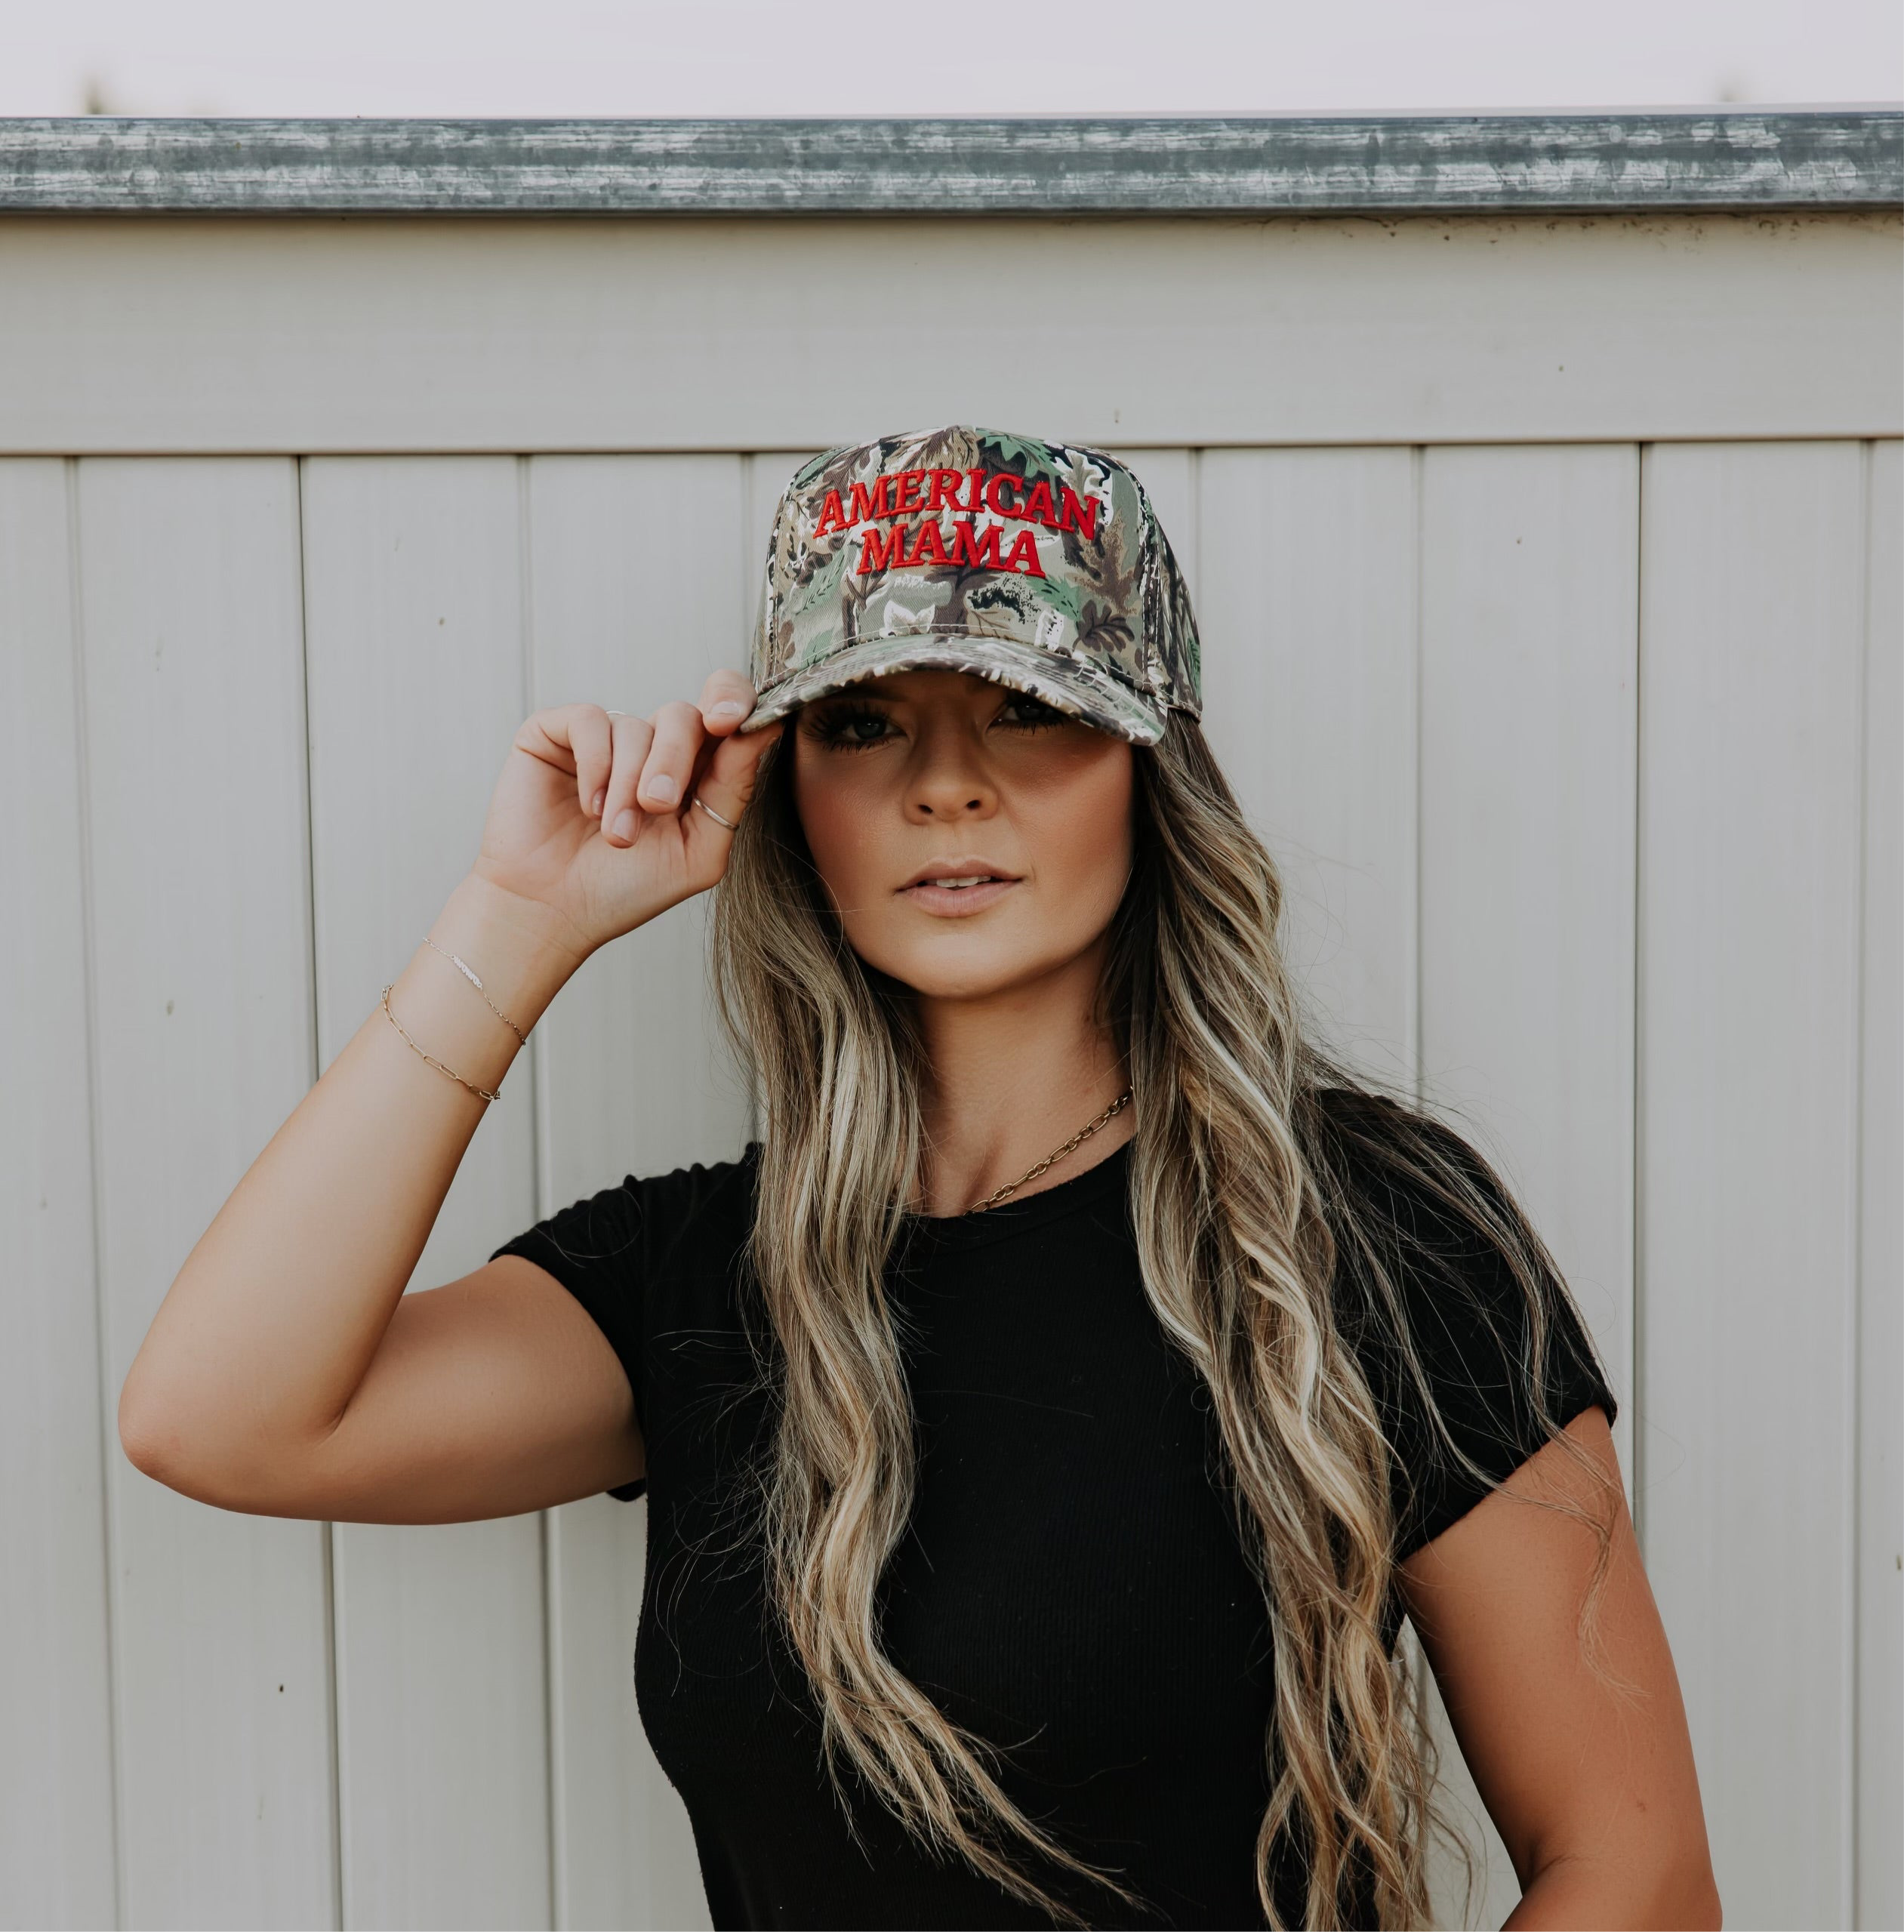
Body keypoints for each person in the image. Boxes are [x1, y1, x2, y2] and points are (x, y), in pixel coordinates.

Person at [119, 427, 1720, 1932]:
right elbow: (222, 1416)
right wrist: (521, 918)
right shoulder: (700, 1278)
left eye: (1030, 708)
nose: (946, 786)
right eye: (865, 722)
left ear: (1150, 768)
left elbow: (1632, 1870)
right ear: (786, 792)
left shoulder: (1369, 1230)